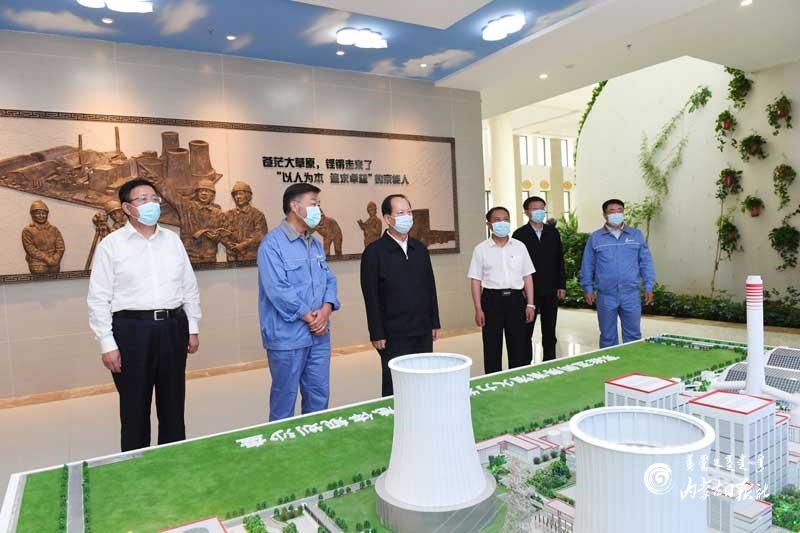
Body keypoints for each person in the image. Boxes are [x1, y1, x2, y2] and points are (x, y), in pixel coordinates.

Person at [87, 178, 201, 452]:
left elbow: (188, 286)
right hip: (131, 331)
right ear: (127, 208)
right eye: (142, 199)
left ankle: (173, 458)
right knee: (134, 406)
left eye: (154, 198)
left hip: (173, 327)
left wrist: (192, 327)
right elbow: (98, 298)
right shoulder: (111, 246)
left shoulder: (172, 241)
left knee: (173, 402)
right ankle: (135, 463)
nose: (151, 204)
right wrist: (107, 343)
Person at [257, 183, 340, 421]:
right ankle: (281, 444)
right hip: (288, 337)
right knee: (284, 400)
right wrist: (310, 317)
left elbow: (329, 279)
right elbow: (277, 289)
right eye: (314, 204)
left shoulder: (315, 243)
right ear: (295, 207)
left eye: (319, 204)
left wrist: (326, 310)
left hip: (319, 335)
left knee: (319, 396)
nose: (319, 210)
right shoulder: (272, 245)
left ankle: (315, 440)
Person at [360, 194, 441, 396]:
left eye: (409, 212)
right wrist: (376, 332)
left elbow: (430, 287)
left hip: (422, 328)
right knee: (396, 383)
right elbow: (371, 296)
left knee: (423, 378)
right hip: (393, 332)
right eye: (401, 213)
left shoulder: (419, 249)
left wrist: (434, 321)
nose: (407, 217)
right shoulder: (374, 252)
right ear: (388, 219)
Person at [468, 207, 536, 374]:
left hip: (516, 299)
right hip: (491, 300)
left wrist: (530, 304)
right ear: (489, 224)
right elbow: (475, 280)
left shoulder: (519, 247)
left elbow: (527, 276)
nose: (502, 223)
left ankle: (518, 377)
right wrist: (478, 308)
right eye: (497, 220)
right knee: (492, 345)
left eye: (505, 219)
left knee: (518, 344)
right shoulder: (481, 249)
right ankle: (493, 378)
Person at [580, 198, 656, 348]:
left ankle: (633, 361)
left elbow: (646, 262)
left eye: (619, 211)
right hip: (606, 295)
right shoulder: (595, 238)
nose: (616, 214)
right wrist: (588, 288)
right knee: (608, 336)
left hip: (631, 294)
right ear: (605, 215)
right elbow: (588, 264)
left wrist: (648, 286)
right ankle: (610, 362)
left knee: (633, 335)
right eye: (612, 211)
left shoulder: (635, 235)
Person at [512, 196, 566, 361]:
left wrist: (561, 285)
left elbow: (559, 259)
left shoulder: (553, 232)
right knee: (525, 331)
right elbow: (515, 264)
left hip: (550, 289)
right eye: (535, 209)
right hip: (529, 291)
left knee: (549, 330)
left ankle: (549, 362)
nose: (539, 212)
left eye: (542, 208)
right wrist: (520, 288)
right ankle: (524, 363)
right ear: (526, 212)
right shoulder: (519, 234)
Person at [159, 179, 221, 263]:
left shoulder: (217, 212)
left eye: (207, 191)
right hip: (190, 258)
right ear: (196, 193)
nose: (203, 193)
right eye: (201, 190)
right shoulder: (186, 207)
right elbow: (170, 194)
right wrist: (156, 180)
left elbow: (222, 234)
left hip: (210, 258)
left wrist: (217, 237)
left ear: (213, 195)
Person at [218, 181, 268, 261]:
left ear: (248, 196)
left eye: (240, 194)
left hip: (251, 257)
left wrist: (243, 245)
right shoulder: (227, 215)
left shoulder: (257, 214)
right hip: (232, 257)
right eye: (235, 194)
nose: (238, 197)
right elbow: (222, 233)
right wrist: (228, 244)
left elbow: (260, 234)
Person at [21, 200, 65, 274]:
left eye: (44, 213)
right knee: (40, 279)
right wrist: (46, 258)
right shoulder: (27, 230)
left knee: (54, 279)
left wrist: (56, 257)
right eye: (38, 213)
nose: (41, 216)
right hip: (37, 263)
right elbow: (30, 249)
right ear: (33, 215)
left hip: (54, 262)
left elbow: (60, 246)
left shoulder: (54, 229)